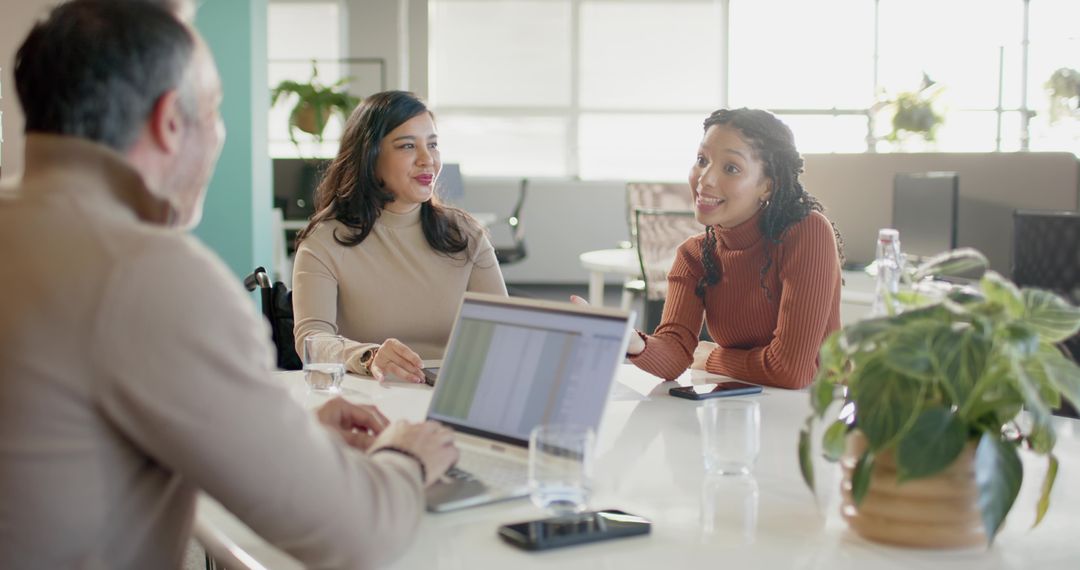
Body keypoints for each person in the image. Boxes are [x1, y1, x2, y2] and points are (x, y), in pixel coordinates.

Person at [0, 2, 457, 568]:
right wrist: (405, 457)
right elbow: (359, 532)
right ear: (171, 123)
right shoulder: (153, 275)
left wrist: (283, 433)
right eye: (215, 114)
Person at [598, 108, 843, 390]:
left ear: (767, 186)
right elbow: (676, 356)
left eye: (731, 168)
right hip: (744, 407)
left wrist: (713, 356)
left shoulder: (807, 232)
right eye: (702, 160)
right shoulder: (694, 254)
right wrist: (632, 341)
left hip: (814, 412)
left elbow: (789, 371)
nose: (705, 179)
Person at [292, 91, 507, 383]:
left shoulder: (466, 233)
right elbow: (312, 340)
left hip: (451, 395)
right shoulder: (324, 242)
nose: (427, 159)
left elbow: (502, 330)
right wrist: (369, 357)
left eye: (432, 145)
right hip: (368, 401)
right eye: (407, 146)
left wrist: (569, 329)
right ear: (369, 155)